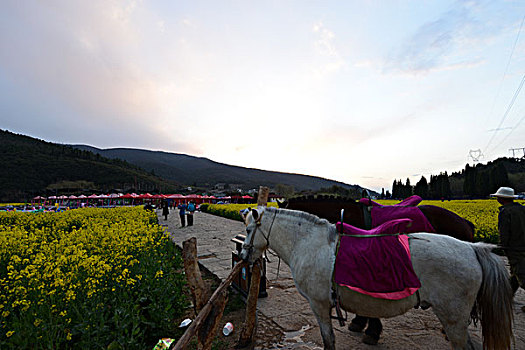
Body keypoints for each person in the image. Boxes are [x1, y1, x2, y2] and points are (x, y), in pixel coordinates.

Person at [491, 186, 525, 311]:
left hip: (515, 248)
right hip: (522, 245)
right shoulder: (522, 209)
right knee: (515, 272)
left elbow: (504, 232)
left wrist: (501, 246)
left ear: (501, 198)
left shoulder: (505, 212)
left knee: (520, 273)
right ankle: (506, 296)